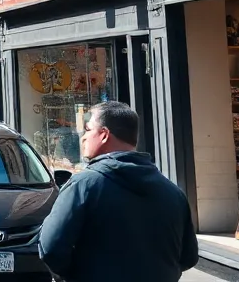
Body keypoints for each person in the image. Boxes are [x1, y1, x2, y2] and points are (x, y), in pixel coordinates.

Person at [39, 101, 198, 282]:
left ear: (104, 135)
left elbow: (50, 248)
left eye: (88, 130)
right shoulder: (173, 193)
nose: (82, 137)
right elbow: (189, 257)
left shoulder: (83, 185)